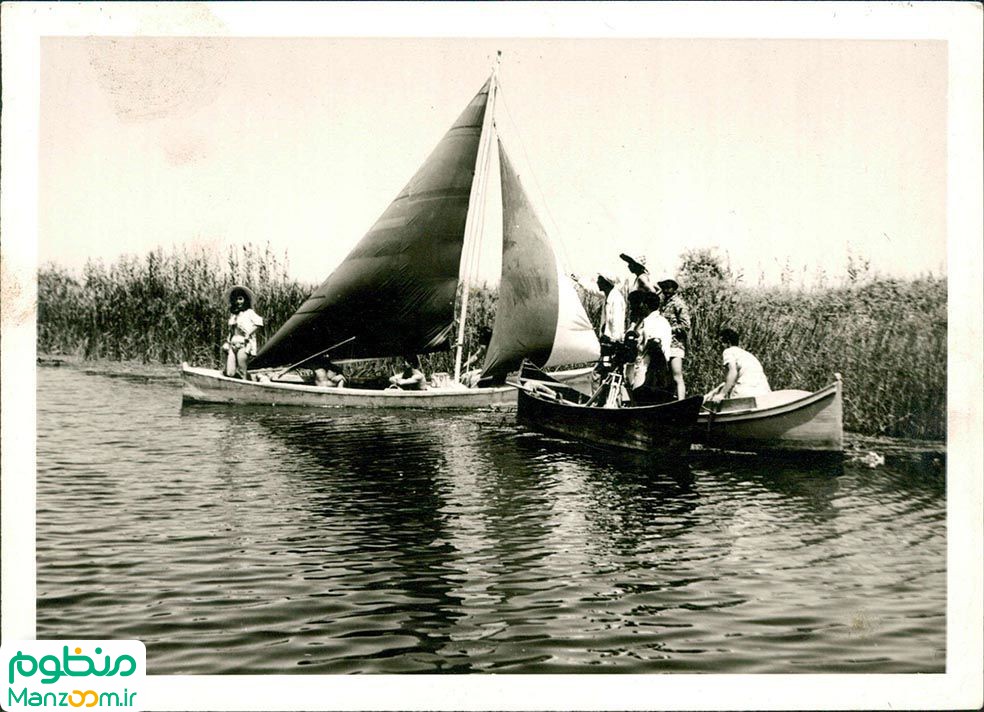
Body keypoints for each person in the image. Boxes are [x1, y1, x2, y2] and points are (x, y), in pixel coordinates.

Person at [625, 289, 674, 405]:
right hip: (663, 370)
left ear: (646, 305)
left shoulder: (649, 322)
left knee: (641, 401)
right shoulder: (664, 322)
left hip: (648, 369)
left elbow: (653, 344)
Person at [707, 327, 771, 402]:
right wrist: (717, 391)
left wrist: (722, 394)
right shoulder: (747, 355)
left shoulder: (728, 351)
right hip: (764, 392)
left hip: (746, 392)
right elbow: (733, 380)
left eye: (720, 343)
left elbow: (733, 372)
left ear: (727, 343)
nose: (719, 347)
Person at [657, 277, 691, 400]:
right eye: (664, 287)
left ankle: (681, 402)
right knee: (666, 377)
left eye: (668, 287)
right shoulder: (663, 304)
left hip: (675, 345)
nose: (665, 290)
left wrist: (670, 329)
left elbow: (686, 325)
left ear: (673, 288)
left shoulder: (678, 304)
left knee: (677, 376)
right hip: (664, 345)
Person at [222, 285, 263, 379]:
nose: (238, 302)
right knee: (230, 372)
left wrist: (248, 334)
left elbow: (259, 323)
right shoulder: (234, 315)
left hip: (242, 345)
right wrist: (227, 342)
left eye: (240, 299)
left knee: (242, 370)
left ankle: (245, 388)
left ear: (245, 300)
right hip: (232, 344)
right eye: (235, 299)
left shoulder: (249, 312)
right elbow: (232, 330)